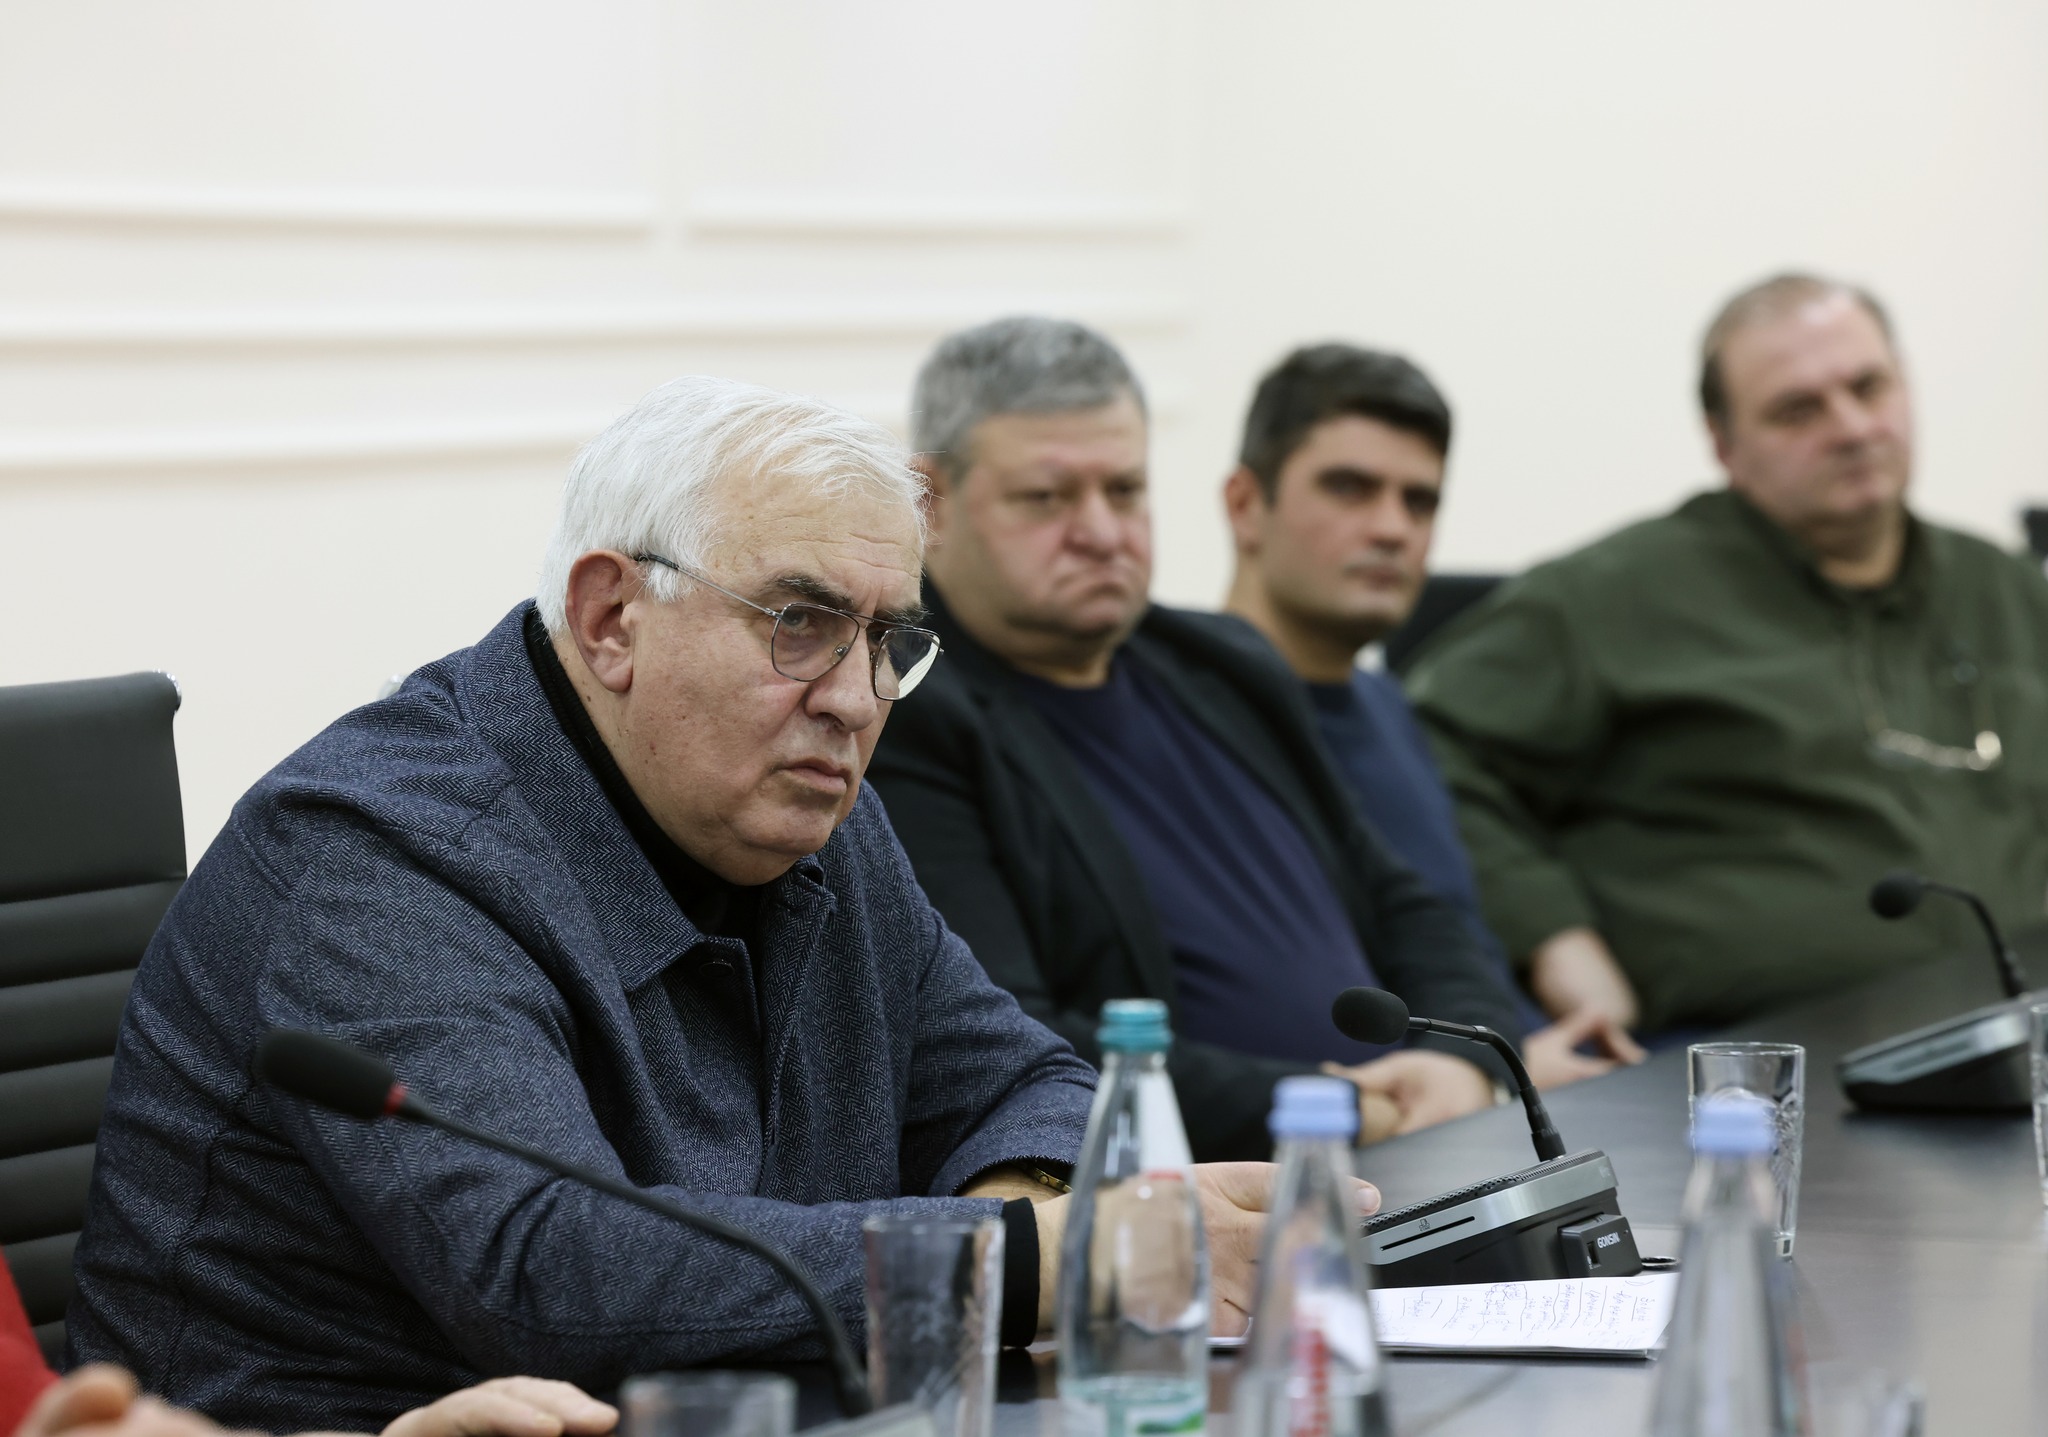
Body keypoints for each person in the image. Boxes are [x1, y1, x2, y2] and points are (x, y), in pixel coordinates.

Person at [67, 377, 1329, 1430]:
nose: (855, 698)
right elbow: (551, 1275)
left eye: (886, 640)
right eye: (800, 623)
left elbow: (1018, 1077)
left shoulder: (805, 806)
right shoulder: (379, 857)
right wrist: (1030, 1264)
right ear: (611, 618)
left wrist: (1022, 1217)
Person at [867, 316, 1539, 1164]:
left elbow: (1405, 901)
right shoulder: (903, 710)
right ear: (931, 502)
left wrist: (1462, 1059)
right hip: (1199, 1186)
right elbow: (1005, 1036)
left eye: (1124, 490)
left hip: (1409, 1147)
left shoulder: (1227, 662)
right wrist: (1336, 1108)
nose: (1102, 532)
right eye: (1047, 498)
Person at [1406, 274, 2048, 1035]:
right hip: (1754, 1058)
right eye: (1797, 410)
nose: (1851, 427)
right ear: (1724, 445)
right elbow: (1421, 752)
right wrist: (1551, 936)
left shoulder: (2010, 590)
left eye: (1868, 387)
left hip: (2019, 1034)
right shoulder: (1611, 597)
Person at [1219, 342, 1643, 1083]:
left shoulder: (1390, 705)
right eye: (1350, 488)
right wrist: (1504, 1077)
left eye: (1419, 501)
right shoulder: (1187, 720)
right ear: (1246, 506)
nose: (1393, 528)